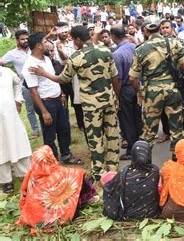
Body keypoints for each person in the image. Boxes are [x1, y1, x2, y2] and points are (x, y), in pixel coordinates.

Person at [29, 25, 121, 182]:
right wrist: (116, 97)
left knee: (95, 137)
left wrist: (43, 73)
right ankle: (113, 170)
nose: (73, 43)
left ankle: (99, 173)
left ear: (79, 39)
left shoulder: (76, 57)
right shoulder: (106, 51)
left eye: (73, 40)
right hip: (109, 100)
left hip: (91, 105)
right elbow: (115, 78)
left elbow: (62, 79)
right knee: (112, 134)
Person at [129, 23, 184, 156]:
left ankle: (143, 164)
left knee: (149, 131)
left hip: (151, 92)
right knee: (177, 130)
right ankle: (178, 162)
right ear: (160, 28)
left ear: (145, 31)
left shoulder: (141, 49)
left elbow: (132, 78)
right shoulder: (174, 43)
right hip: (173, 89)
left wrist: (139, 91)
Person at [22, 33, 82, 165]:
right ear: (38, 46)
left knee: (64, 128)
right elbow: (33, 91)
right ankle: (53, 160)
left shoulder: (47, 59)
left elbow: (53, 79)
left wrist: (61, 94)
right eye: (45, 41)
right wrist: (44, 111)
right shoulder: (30, 65)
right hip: (46, 103)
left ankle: (66, 155)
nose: (48, 43)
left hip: (57, 99)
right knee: (49, 133)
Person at [17, 146, 96, 232]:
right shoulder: (61, 172)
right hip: (59, 217)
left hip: (34, 220)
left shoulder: (32, 174)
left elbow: (24, 193)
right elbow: (80, 174)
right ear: (51, 158)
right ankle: (88, 199)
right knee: (79, 177)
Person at [103, 141, 160, 220]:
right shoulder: (154, 171)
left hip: (128, 216)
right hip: (151, 214)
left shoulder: (124, 173)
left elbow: (108, 189)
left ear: (133, 155)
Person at [110, 26, 143, 160]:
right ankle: (140, 145)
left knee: (127, 120)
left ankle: (132, 150)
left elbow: (118, 79)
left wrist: (116, 97)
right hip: (136, 86)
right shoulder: (134, 47)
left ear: (114, 37)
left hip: (125, 89)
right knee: (137, 117)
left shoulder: (117, 54)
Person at [0, 29, 40, 137]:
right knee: (30, 108)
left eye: (27, 38)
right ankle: (36, 130)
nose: (25, 41)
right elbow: (1, 62)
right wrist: (8, 73)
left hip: (39, 81)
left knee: (42, 105)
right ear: (17, 40)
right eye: (22, 39)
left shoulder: (34, 49)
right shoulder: (12, 53)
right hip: (25, 84)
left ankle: (47, 125)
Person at [0, 66, 32, 194]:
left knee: (18, 142)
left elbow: (18, 82)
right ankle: (6, 181)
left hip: (11, 114)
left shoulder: (7, 72)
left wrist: (18, 100)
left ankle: (25, 174)